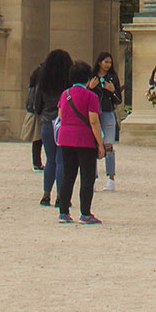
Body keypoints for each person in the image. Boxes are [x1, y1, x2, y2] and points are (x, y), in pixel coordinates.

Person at [54, 60, 106, 224]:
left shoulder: (65, 94)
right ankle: (85, 213)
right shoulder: (91, 96)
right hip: (84, 139)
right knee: (87, 176)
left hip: (66, 137)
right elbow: (93, 121)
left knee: (68, 175)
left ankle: (63, 212)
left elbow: (61, 115)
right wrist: (100, 144)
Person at [34, 49, 73, 206]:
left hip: (47, 123)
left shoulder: (44, 82)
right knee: (61, 160)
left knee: (50, 160)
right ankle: (61, 197)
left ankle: (46, 195)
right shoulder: (68, 83)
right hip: (64, 123)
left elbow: (37, 106)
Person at [88, 52, 122, 192]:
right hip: (94, 112)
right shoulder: (92, 77)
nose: (108, 65)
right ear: (99, 62)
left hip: (107, 112)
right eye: (106, 62)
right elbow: (85, 96)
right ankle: (93, 178)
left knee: (108, 146)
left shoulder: (113, 78)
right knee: (92, 146)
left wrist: (113, 91)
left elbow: (119, 100)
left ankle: (111, 178)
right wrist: (90, 87)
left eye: (110, 62)